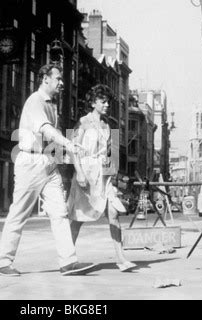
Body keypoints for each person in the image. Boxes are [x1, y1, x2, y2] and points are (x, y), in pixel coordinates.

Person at [0, 64, 95, 277]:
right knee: (19, 212)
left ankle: (68, 262)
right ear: (45, 79)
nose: (62, 83)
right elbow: (46, 129)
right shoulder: (35, 101)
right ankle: (5, 262)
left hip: (48, 162)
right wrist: (69, 145)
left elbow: (52, 136)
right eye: (58, 79)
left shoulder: (52, 105)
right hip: (30, 162)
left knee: (59, 212)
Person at [67, 84, 137, 272]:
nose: (106, 105)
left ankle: (121, 258)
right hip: (86, 174)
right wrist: (79, 172)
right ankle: (67, 258)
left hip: (104, 176)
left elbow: (111, 155)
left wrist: (113, 178)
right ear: (93, 102)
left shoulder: (110, 125)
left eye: (108, 102)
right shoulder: (82, 122)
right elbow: (72, 149)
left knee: (114, 214)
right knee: (78, 218)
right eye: (102, 101)